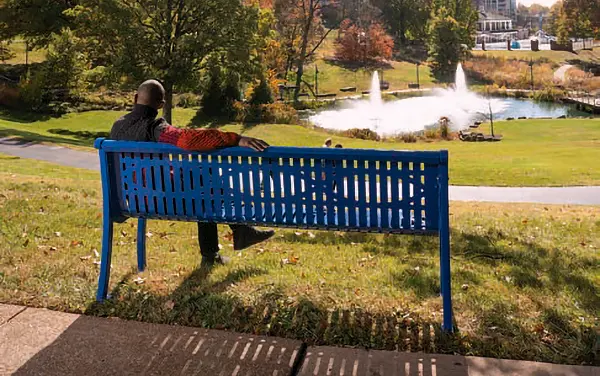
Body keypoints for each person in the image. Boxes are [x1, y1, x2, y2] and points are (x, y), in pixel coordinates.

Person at [109, 79, 274, 267]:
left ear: (135, 98)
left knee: (201, 182)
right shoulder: (155, 128)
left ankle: (229, 240)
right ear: (161, 105)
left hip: (132, 201)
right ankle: (237, 231)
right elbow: (188, 141)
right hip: (164, 203)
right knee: (203, 177)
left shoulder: (117, 127)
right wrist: (236, 139)